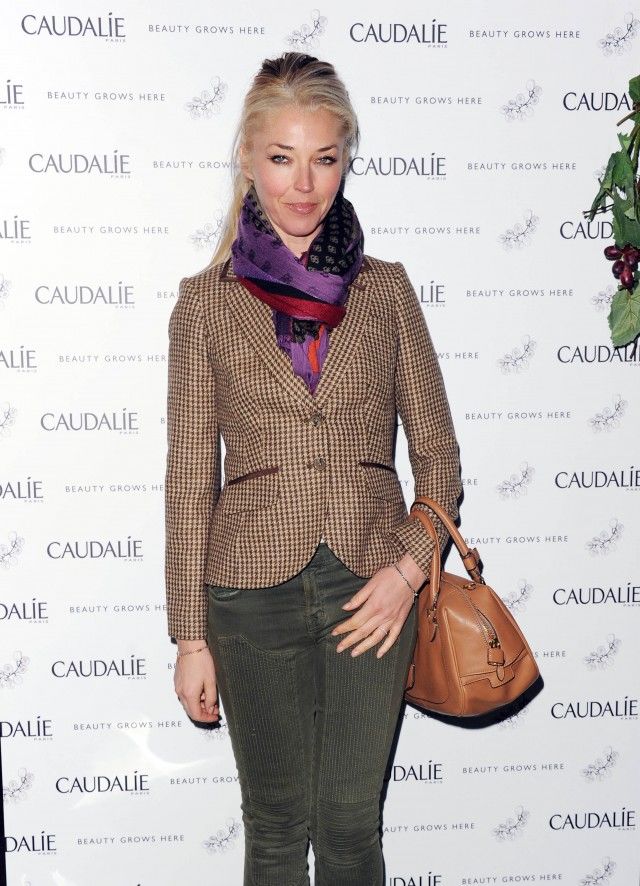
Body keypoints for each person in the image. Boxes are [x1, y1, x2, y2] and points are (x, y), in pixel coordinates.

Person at [165, 51, 462, 886]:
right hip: (246, 593)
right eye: (282, 157)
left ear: (345, 160)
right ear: (247, 159)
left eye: (324, 158)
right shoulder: (204, 303)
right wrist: (190, 636)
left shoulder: (387, 291)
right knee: (274, 830)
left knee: (350, 829)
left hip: (372, 587)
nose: (304, 184)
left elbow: (439, 456)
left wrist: (409, 570)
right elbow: (188, 479)